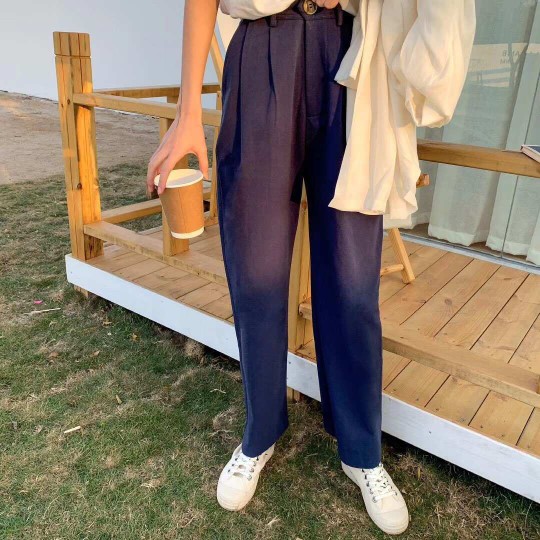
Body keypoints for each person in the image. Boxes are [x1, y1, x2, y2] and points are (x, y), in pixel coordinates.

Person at [147, 0, 409, 535]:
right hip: (261, 45)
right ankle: (260, 432)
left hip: (349, 51)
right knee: (256, 268)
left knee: (353, 279)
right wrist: (188, 112)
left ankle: (362, 450)